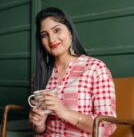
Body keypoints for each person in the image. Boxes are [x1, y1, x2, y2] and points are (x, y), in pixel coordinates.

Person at [29, 7, 116, 137]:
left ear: (70, 31)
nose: (52, 40)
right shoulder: (40, 75)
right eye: (44, 35)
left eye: (56, 30)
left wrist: (62, 111)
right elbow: (39, 130)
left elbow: (107, 127)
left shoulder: (95, 69)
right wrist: (39, 124)